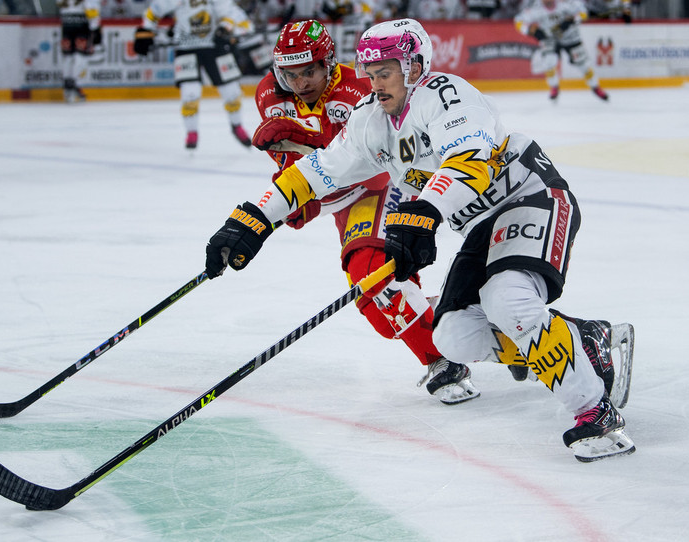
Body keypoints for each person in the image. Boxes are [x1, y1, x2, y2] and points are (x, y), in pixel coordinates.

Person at [204, 18, 635, 462]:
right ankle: (582, 339)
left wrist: (422, 215)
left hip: (529, 195)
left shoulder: (447, 94)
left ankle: (595, 411)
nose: (375, 84)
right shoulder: (371, 121)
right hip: (481, 226)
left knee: (508, 300)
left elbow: (469, 162)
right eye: (370, 74)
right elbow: (317, 171)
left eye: (384, 72)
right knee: (453, 337)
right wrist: (252, 219)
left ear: (412, 66)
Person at [251, 19, 479, 405]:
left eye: (309, 71)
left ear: (328, 62)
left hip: (383, 186)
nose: (301, 82)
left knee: (372, 274)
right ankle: (460, 321)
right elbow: (303, 166)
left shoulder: (358, 88)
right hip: (337, 197)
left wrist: (304, 138)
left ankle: (442, 358)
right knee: (377, 305)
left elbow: (372, 166)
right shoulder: (270, 93)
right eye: (290, 73)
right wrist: (299, 199)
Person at [133, 0, 254, 149]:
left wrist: (226, 28)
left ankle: (237, 125)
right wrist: (145, 30)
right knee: (190, 94)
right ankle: (192, 132)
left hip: (215, 45)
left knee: (232, 92)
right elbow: (156, 9)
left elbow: (230, 13)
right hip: (186, 47)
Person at [515, 0, 609, 102]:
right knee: (548, 62)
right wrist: (532, 31)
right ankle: (554, 86)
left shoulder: (568, 2)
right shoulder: (535, 6)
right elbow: (518, 21)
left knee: (583, 65)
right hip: (549, 38)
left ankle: (595, 87)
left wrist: (571, 20)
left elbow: (583, 12)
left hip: (571, 37)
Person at [57, 0, 102, 103]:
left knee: (68, 57)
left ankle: (68, 86)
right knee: (81, 56)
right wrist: (95, 28)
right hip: (82, 24)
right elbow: (92, 9)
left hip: (67, 24)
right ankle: (73, 84)